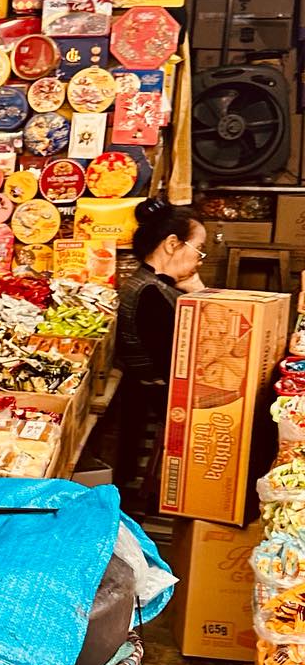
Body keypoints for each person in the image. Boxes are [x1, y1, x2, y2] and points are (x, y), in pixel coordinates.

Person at [112, 197, 208, 501]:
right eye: (198, 250)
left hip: (150, 392)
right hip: (159, 396)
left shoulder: (153, 283)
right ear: (171, 244)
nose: (200, 260)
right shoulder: (151, 293)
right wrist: (200, 293)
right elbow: (181, 360)